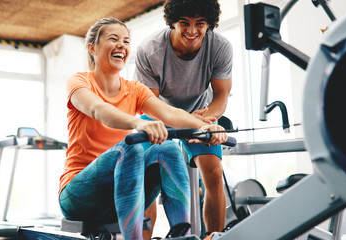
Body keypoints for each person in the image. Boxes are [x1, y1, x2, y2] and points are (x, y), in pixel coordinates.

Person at [58, 17, 229, 240]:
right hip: (78, 196)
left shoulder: (134, 89)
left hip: (118, 193)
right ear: (93, 48)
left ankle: (181, 234)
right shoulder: (80, 81)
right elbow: (99, 110)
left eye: (126, 41)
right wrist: (138, 122)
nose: (122, 45)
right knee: (131, 148)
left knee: (167, 148)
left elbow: (171, 114)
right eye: (114, 39)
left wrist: (207, 127)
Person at [134, 0, 233, 235]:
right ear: (172, 22)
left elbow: (221, 95)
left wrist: (207, 120)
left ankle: (213, 237)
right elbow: (151, 104)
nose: (192, 31)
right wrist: (190, 121)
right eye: (184, 23)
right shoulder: (149, 50)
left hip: (202, 113)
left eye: (200, 23)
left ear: (210, 23)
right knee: (149, 180)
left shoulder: (220, 47)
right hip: (156, 115)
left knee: (213, 172)